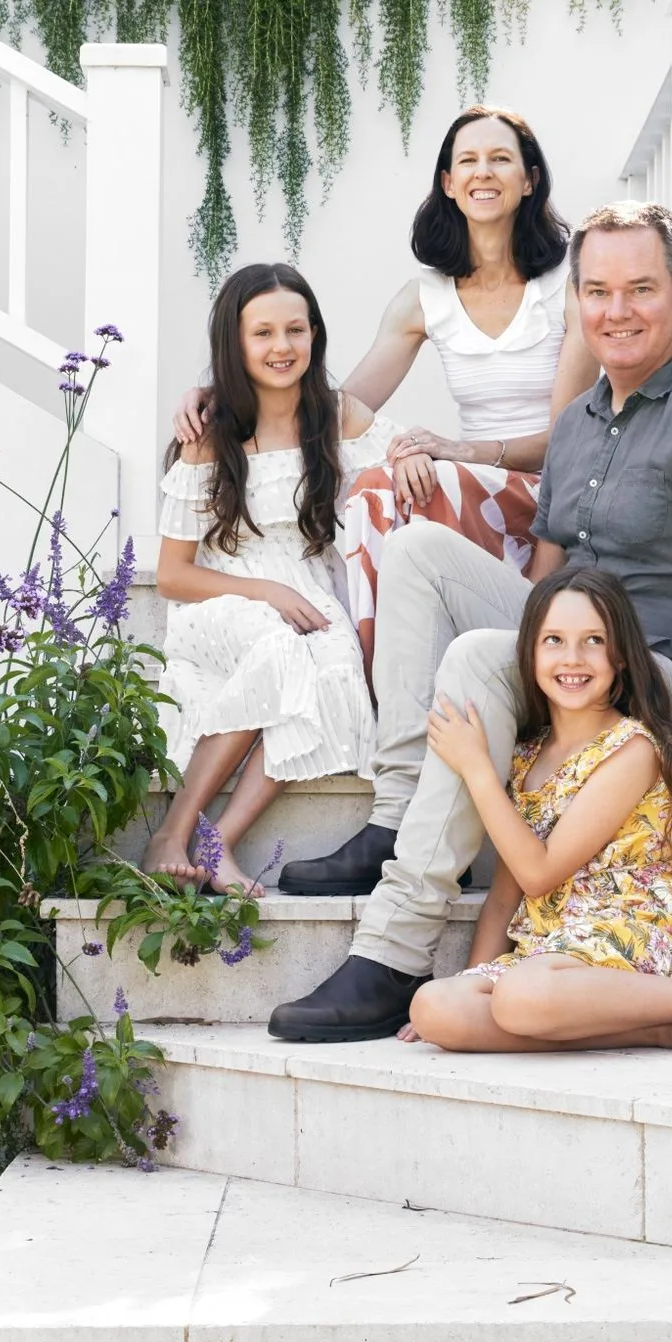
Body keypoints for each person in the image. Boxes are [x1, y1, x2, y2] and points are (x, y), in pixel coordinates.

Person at [267, 198, 672, 1041]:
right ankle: (398, 810)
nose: (616, 311)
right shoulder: (575, 423)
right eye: (598, 291)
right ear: (575, 303)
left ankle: (393, 948)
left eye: (640, 289)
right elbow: (545, 593)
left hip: (662, 672)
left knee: (473, 659)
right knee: (419, 550)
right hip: (580, 651)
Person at [172, 106, 598, 681]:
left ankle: (391, 678)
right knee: (380, 482)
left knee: (415, 481)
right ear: (448, 183)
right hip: (471, 495)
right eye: (467, 161)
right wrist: (220, 388)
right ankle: (378, 680)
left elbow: (571, 444)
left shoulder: (567, 288)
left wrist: (462, 450)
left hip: (547, 494)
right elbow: (327, 409)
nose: (483, 172)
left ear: (530, 180)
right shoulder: (425, 298)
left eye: (501, 159)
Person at [402, 565, 672, 1060]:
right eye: (554, 641)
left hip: (636, 927)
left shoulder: (634, 749)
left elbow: (538, 874)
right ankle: (661, 1030)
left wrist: (477, 769)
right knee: (434, 1006)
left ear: (622, 657)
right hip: (557, 950)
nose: (572, 658)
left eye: (593, 640)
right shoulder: (527, 755)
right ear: (530, 652)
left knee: (522, 997)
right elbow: (506, 895)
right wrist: (472, 981)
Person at [145, 262, 391, 897]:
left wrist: (420, 459)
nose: (282, 347)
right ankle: (170, 832)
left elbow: (401, 458)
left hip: (312, 591)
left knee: (336, 665)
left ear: (315, 335)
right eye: (263, 334)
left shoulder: (338, 418)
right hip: (224, 594)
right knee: (279, 649)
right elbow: (173, 575)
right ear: (235, 342)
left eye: (295, 330)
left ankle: (216, 841)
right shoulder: (209, 433)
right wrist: (267, 593)